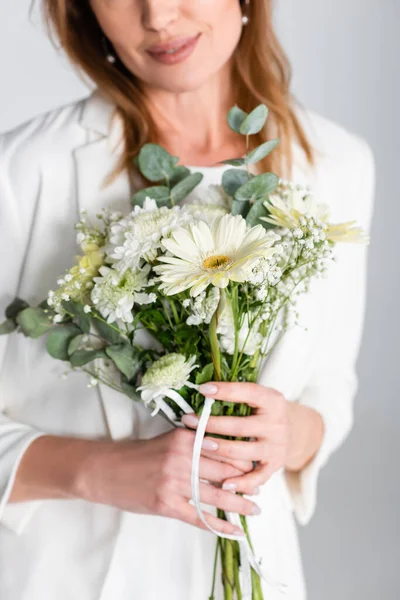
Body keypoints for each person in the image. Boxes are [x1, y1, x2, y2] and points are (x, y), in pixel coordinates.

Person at [0, 1, 375, 599]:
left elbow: (331, 389)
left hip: (255, 575)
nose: (158, 17)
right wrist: (102, 472)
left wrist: (288, 432)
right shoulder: (18, 173)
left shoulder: (336, 164)